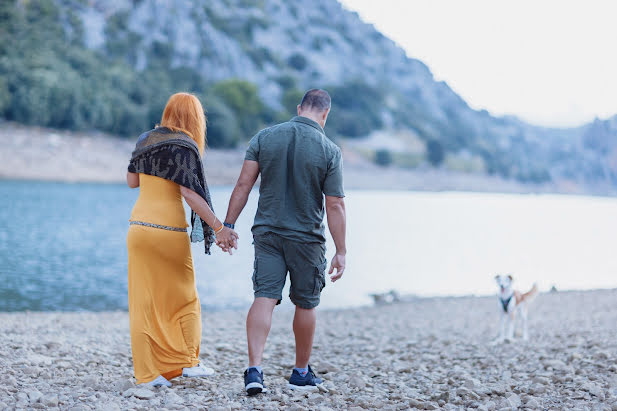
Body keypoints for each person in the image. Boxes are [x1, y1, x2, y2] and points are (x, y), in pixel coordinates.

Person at [219, 89, 347, 395]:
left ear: (300, 108)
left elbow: (243, 184)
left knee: (264, 296)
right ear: (325, 114)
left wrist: (228, 225)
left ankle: (254, 371)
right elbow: (335, 205)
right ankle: (300, 373)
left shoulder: (264, 137)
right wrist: (341, 250)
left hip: (267, 233)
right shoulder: (330, 150)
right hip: (307, 239)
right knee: (305, 302)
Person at [126, 92, 238, 387]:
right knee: (184, 298)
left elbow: (131, 181)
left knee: (144, 303)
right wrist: (218, 227)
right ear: (195, 119)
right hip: (168, 231)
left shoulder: (145, 139)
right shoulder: (185, 144)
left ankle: (148, 375)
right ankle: (187, 362)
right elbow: (190, 194)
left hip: (138, 227)